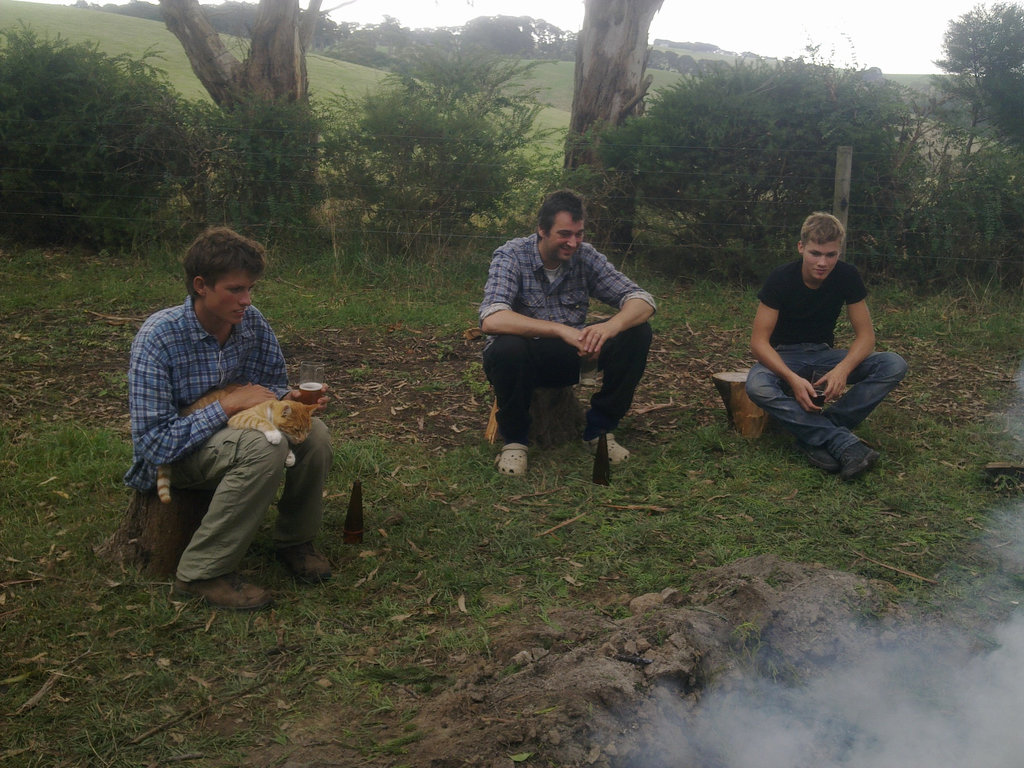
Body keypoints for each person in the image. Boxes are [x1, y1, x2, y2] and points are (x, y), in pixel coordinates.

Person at [125, 227, 333, 610]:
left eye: (251, 288)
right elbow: (153, 444)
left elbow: (269, 388)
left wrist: (290, 402)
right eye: (236, 290)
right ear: (201, 286)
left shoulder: (250, 323)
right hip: (176, 458)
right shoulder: (159, 337)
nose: (247, 300)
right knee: (262, 448)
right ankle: (202, 573)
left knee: (315, 435)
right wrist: (228, 406)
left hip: (237, 435)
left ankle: (295, 542)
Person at [480, 189, 656, 475]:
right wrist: (559, 330)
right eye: (564, 234)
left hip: (575, 356)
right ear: (541, 229)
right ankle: (515, 442)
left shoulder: (586, 257)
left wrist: (609, 327)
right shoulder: (512, 255)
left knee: (637, 332)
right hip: (523, 361)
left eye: (579, 234)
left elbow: (642, 300)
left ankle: (600, 429)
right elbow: (492, 318)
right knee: (507, 346)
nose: (573, 242)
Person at [745, 212, 907, 480]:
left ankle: (816, 432)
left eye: (830, 255)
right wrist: (792, 380)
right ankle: (839, 441)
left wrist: (843, 369)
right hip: (783, 357)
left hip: (824, 355)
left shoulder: (847, 276)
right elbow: (758, 343)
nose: (822, 262)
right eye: (815, 253)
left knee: (893, 364)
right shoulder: (780, 278)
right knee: (757, 385)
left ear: (839, 251)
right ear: (801, 248)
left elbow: (866, 337)